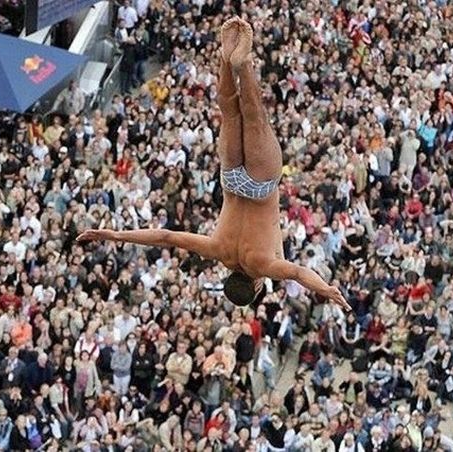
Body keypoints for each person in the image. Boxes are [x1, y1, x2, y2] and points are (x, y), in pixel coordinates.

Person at [78, 18, 350, 312]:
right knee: (230, 112)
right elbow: (167, 237)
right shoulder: (218, 251)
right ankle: (225, 58)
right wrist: (115, 235)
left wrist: (326, 289)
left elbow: (297, 273)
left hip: (260, 187)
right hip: (232, 180)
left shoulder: (263, 264)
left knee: (255, 118)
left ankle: (243, 64)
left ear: (256, 286)